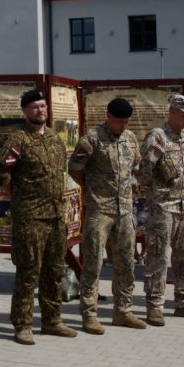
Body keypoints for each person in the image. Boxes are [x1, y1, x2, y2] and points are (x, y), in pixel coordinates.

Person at [0, 90, 77, 345]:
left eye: (43, 106)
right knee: (28, 271)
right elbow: (0, 174)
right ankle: (23, 324)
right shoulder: (18, 140)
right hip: (30, 217)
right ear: (25, 111)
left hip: (55, 216)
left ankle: (52, 320)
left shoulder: (53, 138)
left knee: (54, 270)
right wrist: (19, 196)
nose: (40, 110)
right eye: (35, 107)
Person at [68, 98, 144, 334]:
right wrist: (95, 190)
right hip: (100, 210)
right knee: (93, 263)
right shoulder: (92, 139)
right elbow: (75, 169)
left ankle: (123, 311)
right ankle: (89, 314)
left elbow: (135, 167)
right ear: (108, 116)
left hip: (125, 210)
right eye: (119, 121)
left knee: (126, 263)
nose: (123, 125)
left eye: (126, 121)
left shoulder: (130, 138)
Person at [138, 95, 184, 326]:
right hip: (162, 208)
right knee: (158, 257)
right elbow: (143, 173)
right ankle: (154, 305)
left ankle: (183, 302)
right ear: (172, 112)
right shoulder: (157, 136)